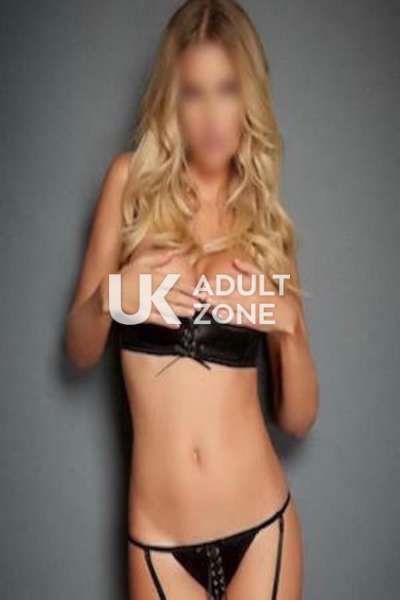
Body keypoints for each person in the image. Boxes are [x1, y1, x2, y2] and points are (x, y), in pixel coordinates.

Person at [65, 0, 319, 598]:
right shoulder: (128, 184)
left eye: (227, 90)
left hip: (263, 528)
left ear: (248, 97)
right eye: (193, 92)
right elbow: (78, 350)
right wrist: (112, 296)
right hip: (158, 541)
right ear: (171, 100)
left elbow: (297, 418)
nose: (211, 117)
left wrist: (288, 327)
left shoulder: (263, 222)